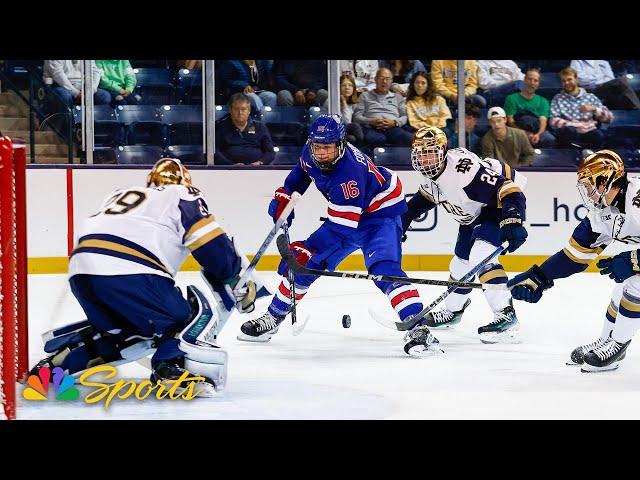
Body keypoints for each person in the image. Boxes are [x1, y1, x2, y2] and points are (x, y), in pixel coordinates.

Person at [29, 158, 258, 393]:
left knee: (130, 332)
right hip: (131, 270)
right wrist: (232, 276)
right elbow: (210, 244)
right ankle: (169, 367)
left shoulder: (122, 195)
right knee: (184, 315)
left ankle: (55, 366)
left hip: (81, 274)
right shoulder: (181, 193)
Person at [238, 114, 442, 357]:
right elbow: (301, 174)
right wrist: (285, 194)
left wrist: (307, 248)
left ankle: (419, 329)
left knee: (384, 269)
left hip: (380, 214)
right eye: (318, 146)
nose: (321, 153)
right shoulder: (311, 150)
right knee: (305, 264)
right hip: (348, 215)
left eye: (327, 147)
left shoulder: (350, 175)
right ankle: (273, 317)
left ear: (341, 144)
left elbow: (341, 228)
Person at [508, 150, 639, 372]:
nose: (586, 192)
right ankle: (609, 341)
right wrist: (539, 277)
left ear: (604, 181)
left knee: (637, 285)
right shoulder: (602, 213)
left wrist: (635, 260)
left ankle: (618, 345)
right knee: (621, 290)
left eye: (589, 186)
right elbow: (575, 256)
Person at [402, 126, 528, 343]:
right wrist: (400, 225)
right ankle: (453, 312)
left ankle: (506, 314)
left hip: (494, 207)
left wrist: (513, 218)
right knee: (460, 264)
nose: (426, 159)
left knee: (481, 256)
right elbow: (419, 203)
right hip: (472, 214)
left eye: (431, 153)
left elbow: (507, 188)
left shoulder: (463, 172)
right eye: (421, 153)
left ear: (443, 151)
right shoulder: (430, 177)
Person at [550, 67, 613, 149]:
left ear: (576, 80)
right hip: (570, 134)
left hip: (590, 133)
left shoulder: (590, 97)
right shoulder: (557, 98)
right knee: (569, 131)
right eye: (563, 81)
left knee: (599, 135)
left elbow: (609, 118)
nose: (566, 83)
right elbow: (553, 121)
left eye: (569, 79)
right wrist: (577, 125)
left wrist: (595, 109)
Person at [352, 68, 414, 149]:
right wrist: (370, 121)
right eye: (381, 78)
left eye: (387, 79)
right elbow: (356, 117)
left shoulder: (398, 97)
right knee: (377, 139)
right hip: (371, 128)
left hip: (393, 128)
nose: (384, 81)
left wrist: (395, 122)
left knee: (409, 138)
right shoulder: (365, 95)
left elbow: (404, 116)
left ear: (391, 81)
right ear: (375, 79)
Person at [214, 93, 275, 166]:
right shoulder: (220, 126)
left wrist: (260, 162)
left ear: (249, 110)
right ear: (230, 110)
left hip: (257, 171)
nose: (240, 113)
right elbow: (215, 152)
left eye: (243, 109)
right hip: (228, 171)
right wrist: (231, 165)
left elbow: (270, 152)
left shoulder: (259, 127)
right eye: (236, 109)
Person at [504, 68, 557, 148]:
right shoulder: (511, 98)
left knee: (549, 139)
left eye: (535, 80)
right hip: (517, 130)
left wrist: (538, 134)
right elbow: (510, 122)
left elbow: (543, 121)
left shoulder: (543, 101)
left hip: (536, 130)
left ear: (538, 84)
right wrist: (525, 133)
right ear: (524, 80)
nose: (532, 83)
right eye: (530, 79)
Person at [43, 60, 111, 108]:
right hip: (60, 85)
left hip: (84, 85)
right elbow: (57, 75)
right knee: (64, 96)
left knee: (104, 96)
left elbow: (95, 71)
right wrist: (76, 93)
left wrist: (92, 89)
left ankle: (98, 126)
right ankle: (68, 126)